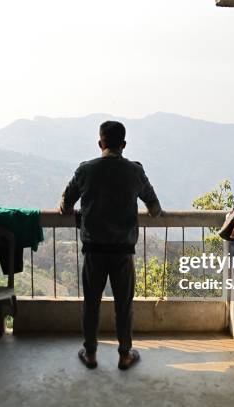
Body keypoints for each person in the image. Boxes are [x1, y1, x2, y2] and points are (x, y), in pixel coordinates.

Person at [60, 120, 162, 370]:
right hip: (122, 251)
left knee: (91, 304)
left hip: (94, 250)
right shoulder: (135, 172)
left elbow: (65, 205)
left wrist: (78, 212)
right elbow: (155, 209)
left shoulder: (86, 170)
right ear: (124, 144)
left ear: (100, 143)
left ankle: (91, 353)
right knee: (123, 306)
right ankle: (125, 354)